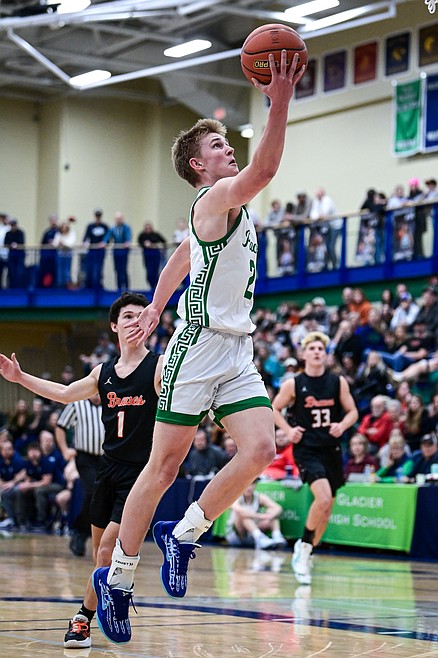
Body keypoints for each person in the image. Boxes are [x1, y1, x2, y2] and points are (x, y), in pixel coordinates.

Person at [89, 50, 306, 645]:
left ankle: (184, 533)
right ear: (196, 164)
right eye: (217, 145)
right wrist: (279, 103)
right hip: (197, 346)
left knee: (261, 448)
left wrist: (155, 306)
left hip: (236, 348)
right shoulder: (215, 198)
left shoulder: (220, 211)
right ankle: (119, 578)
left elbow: (180, 258)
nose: (228, 149)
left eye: (228, 143)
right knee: (163, 467)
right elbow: (265, 169)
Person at [0, 292, 162, 650]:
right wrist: (20, 377)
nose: (135, 322)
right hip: (107, 470)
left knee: (107, 550)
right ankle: (85, 616)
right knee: (99, 558)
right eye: (128, 316)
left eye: (141, 316)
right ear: (114, 326)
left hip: (141, 475)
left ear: (150, 324)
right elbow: (63, 393)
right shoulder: (103, 373)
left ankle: (99, 608)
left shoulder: (158, 367)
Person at [272, 331, 358, 585]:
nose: (317, 352)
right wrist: (288, 430)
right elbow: (273, 408)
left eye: (321, 348)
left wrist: (342, 425)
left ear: (326, 354)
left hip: (332, 449)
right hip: (307, 449)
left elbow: (353, 412)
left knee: (327, 508)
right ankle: (303, 547)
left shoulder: (337, 382)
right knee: (322, 498)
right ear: (304, 354)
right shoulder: (294, 384)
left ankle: (307, 552)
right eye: (312, 348)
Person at [55, 393, 104, 557]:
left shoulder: (111, 402)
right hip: (85, 458)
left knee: (104, 497)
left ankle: (96, 536)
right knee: (92, 493)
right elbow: (60, 426)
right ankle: (80, 532)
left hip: (107, 458)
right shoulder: (76, 405)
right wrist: (64, 450)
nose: (97, 396)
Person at [226, 479, 286, 549]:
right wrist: (261, 516)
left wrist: (269, 517)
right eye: (246, 484)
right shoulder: (236, 497)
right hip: (237, 536)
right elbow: (239, 510)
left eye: (252, 484)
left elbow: (278, 508)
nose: (249, 487)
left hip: (252, 535)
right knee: (243, 516)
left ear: (255, 485)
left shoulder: (259, 497)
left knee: (271, 512)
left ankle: (277, 536)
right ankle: (259, 538)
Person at [104, 211, 132, 291]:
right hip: (116, 252)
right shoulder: (113, 228)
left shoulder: (126, 227)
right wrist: (104, 242)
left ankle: (126, 288)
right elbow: (107, 237)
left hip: (124, 252)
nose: (118, 220)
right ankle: (119, 288)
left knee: (124, 270)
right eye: (117, 219)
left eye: (120, 219)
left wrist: (127, 242)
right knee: (117, 270)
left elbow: (128, 236)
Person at [83, 208, 109, 289]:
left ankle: (98, 285)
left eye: (99, 215)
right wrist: (85, 243)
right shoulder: (90, 226)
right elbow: (86, 237)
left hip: (100, 251)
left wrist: (104, 243)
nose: (98, 217)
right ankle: (89, 285)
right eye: (97, 215)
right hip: (92, 251)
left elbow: (108, 238)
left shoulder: (105, 226)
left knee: (98, 268)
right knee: (90, 268)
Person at [137, 222, 167, 289]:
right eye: (147, 228)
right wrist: (144, 244)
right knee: (149, 272)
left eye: (149, 228)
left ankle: (156, 286)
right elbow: (139, 242)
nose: (148, 229)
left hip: (155, 255)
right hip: (147, 255)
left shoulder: (155, 234)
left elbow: (164, 241)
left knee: (155, 271)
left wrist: (155, 245)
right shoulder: (142, 235)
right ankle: (151, 286)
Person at [38, 213, 59, 288]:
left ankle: (54, 286)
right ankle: (44, 286)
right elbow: (42, 243)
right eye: (52, 220)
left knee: (54, 271)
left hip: (55, 255)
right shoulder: (47, 232)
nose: (53, 221)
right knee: (45, 271)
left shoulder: (59, 231)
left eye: (54, 220)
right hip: (46, 255)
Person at [4, 218, 25, 288]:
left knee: (19, 272)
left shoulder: (20, 233)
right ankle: (11, 287)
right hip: (11, 255)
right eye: (12, 225)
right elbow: (6, 242)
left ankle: (19, 287)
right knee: (11, 272)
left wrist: (16, 245)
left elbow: (22, 242)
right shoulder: (8, 233)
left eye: (14, 224)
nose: (13, 226)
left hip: (19, 256)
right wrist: (11, 245)